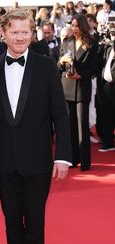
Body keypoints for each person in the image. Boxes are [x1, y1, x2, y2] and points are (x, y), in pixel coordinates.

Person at [0, 9, 72, 244]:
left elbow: (60, 113)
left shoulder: (47, 66)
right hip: (4, 160)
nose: (20, 37)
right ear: (4, 32)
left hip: (38, 160)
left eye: (25, 31)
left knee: (35, 220)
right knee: (12, 221)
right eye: (14, 31)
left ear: (32, 33)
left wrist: (62, 154)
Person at [59, 14, 98, 171]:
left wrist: (81, 75)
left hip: (82, 87)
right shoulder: (66, 42)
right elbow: (59, 65)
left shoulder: (92, 43)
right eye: (72, 25)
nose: (74, 28)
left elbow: (95, 66)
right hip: (67, 87)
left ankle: (85, 162)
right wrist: (61, 62)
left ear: (82, 26)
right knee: (70, 127)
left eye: (76, 26)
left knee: (82, 125)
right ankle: (73, 159)